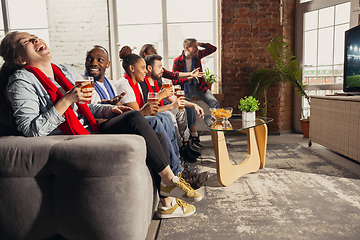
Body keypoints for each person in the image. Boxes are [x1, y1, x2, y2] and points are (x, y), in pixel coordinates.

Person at [1, 31, 202, 218]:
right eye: (26, 41)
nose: (35, 40)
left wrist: (110, 109)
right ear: (19, 59)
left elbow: (86, 107)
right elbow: (31, 130)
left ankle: (167, 205)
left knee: (155, 135)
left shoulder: (63, 71)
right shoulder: (21, 82)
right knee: (135, 119)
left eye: (35, 36)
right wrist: (66, 100)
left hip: (88, 127)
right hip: (67, 136)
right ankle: (170, 180)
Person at [87, 45, 209, 189]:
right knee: (158, 119)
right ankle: (178, 172)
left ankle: (177, 161)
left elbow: (122, 107)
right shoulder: (101, 84)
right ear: (133, 68)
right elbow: (135, 113)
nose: (94, 63)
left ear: (107, 64)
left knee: (165, 120)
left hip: (118, 118)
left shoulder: (112, 84)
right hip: (105, 125)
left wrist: (113, 105)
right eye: (90, 59)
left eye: (99, 60)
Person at [140, 54, 205, 165]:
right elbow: (147, 108)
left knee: (181, 110)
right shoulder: (142, 84)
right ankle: (179, 149)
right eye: (159, 67)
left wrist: (194, 105)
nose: (163, 70)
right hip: (155, 114)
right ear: (149, 68)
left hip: (161, 110)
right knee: (171, 116)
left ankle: (185, 145)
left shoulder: (158, 83)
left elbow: (176, 100)